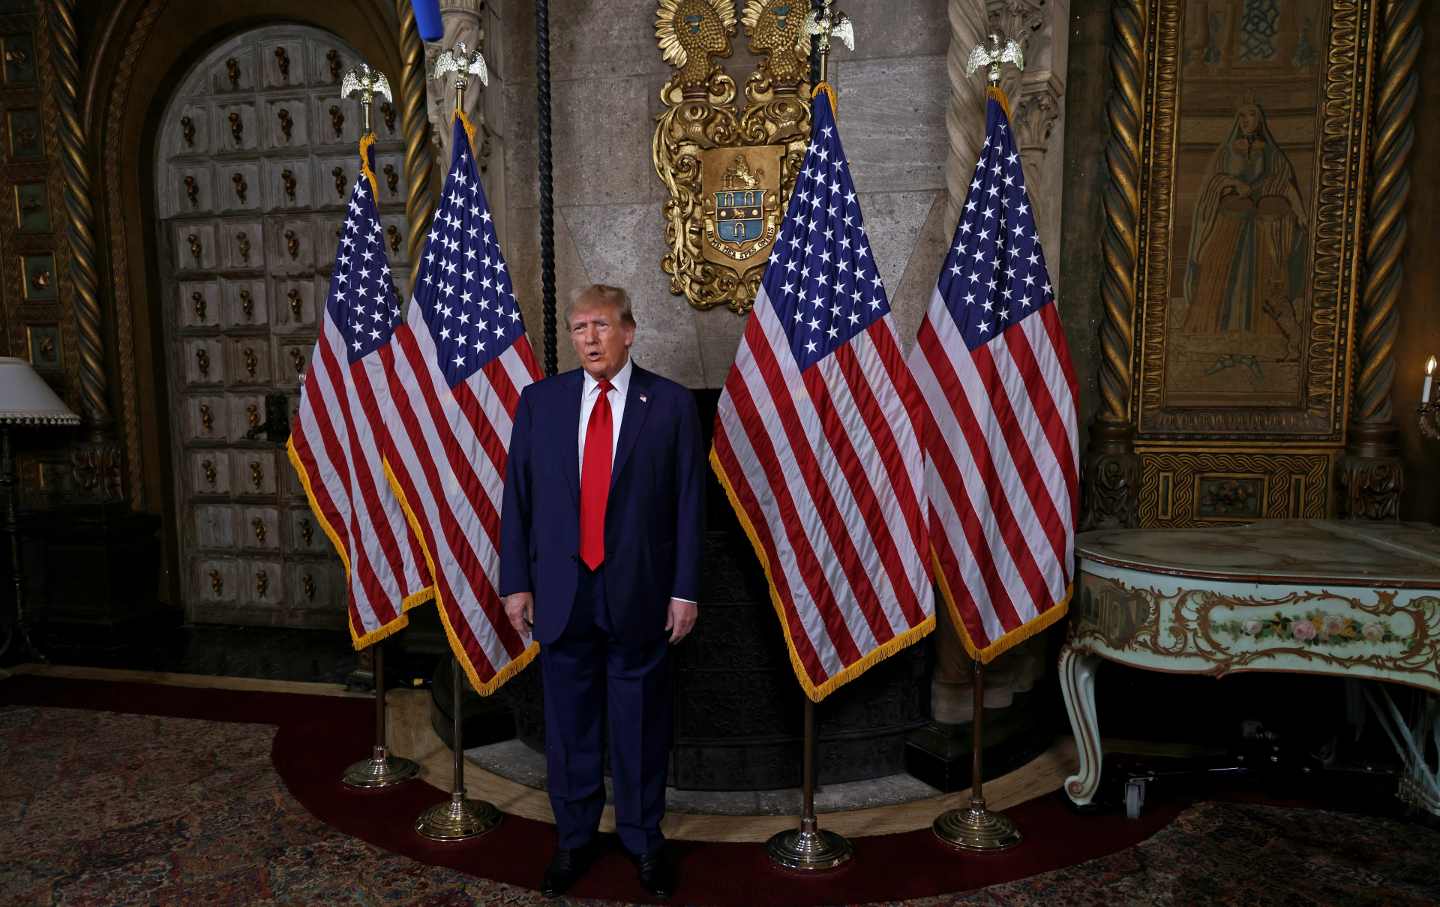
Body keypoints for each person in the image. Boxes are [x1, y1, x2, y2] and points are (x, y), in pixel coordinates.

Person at [500, 284, 704, 899]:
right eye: (579, 327)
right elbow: (519, 501)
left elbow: (690, 504)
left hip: (638, 592)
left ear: (630, 332)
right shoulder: (540, 403)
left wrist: (685, 590)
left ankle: (644, 841)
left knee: (639, 724)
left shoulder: (668, 405)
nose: (589, 338)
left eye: (602, 326)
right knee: (570, 726)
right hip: (562, 593)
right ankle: (575, 840)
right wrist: (516, 584)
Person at [1181, 97, 1308, 339]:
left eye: (1250, 115)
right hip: (1230, 221)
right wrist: (1232, 182)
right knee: (1220, 271)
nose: (1245, 120)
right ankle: (1216, 328)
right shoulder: (1227, 151)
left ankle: (1260, 328)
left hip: (1260, 226)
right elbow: (1213, 182)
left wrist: (1301, 213)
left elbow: (1285, 185)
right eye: (1241, 116)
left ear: (1259, 121)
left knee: (1264, 273)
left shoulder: (1271, 154)